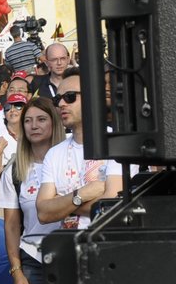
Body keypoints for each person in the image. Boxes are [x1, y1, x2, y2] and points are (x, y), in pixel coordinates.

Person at [35, 68, 124, 231]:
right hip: (68, 247)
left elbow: (112, 207)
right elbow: (42, 213)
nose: (61, 104)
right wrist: (81, 194)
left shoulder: (117, 143)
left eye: (70, 97)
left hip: (107, 245)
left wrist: (61, 203)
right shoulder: (54, 153)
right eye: (57, 99)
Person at [0, 96, 68, 284]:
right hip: (32, 258)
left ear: (54, 123)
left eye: (41, 119)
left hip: (71, 255)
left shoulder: (70, 161)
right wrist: (16, 271)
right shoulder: (14, 171)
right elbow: (11, 226)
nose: (33, 126)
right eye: (27, 121)